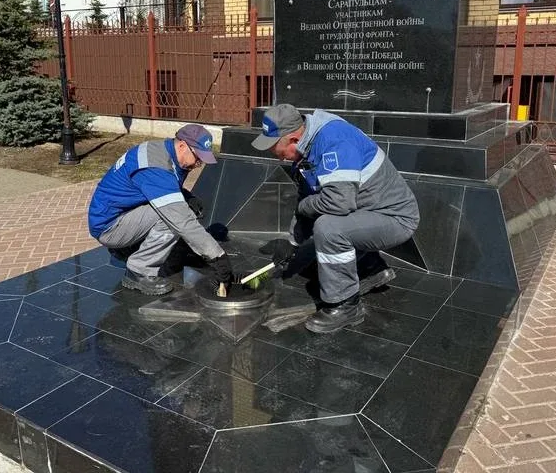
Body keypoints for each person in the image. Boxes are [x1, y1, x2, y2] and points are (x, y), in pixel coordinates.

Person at [252, 104, 420, 333]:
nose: (279, 157)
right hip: (366, 212)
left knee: (328, 229)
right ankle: (369, 266)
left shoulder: (334, 141)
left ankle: (346, 305)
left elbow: (337, 203)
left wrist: (304, 206)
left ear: (293, 139)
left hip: (394, 218)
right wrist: (293, 242)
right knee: (322, 256)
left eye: (277, 150)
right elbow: (308, 199)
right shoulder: (308, 146)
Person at [87, 124, 233, 295]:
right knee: (172, 217)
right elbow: (181, 219)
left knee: (181, 208)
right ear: (182, 146)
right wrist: (217, 257)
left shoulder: (167, 152)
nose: (198, 164)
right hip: (110, 227)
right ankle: (139, 271)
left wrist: (185, 195)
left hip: (123, 214)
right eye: (197, 158)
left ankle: (128, 248)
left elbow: (156, 185)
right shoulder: (155, 165)